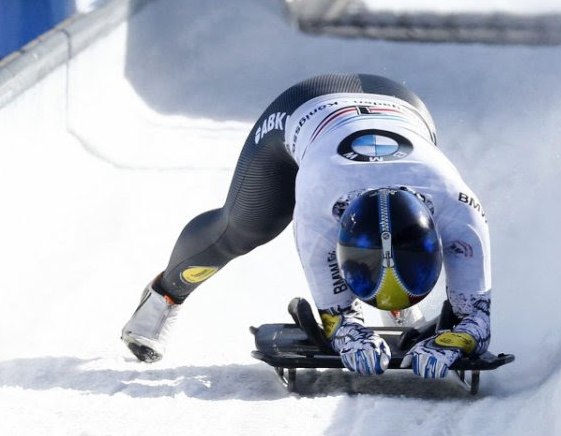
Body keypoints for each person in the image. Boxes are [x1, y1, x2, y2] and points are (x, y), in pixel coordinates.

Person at [121, 74, 491, 379]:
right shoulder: (320, 199)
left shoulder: (459, 209)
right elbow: (335, 316)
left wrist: (460, 334)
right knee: (245, 228)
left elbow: (477, 315)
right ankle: (165, 295)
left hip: (402, 108)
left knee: (409, 261)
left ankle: (395, 306)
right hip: (304, 109)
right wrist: (346, 327)